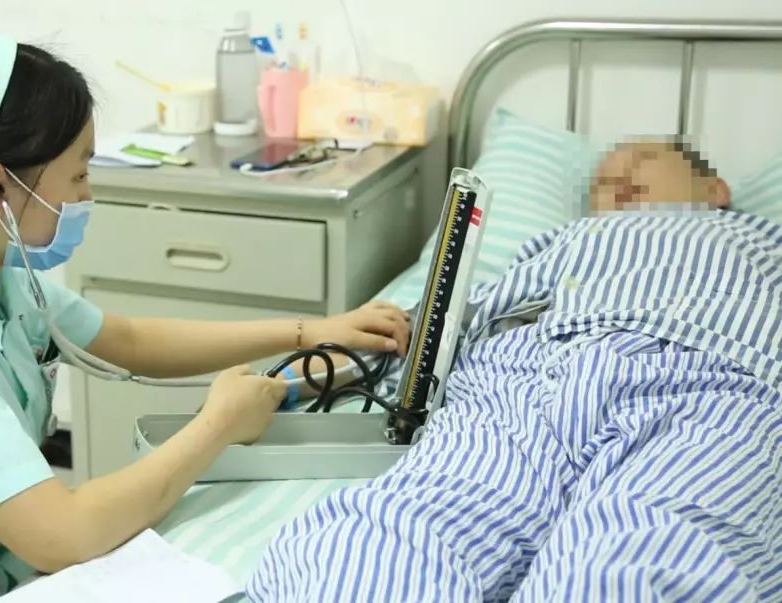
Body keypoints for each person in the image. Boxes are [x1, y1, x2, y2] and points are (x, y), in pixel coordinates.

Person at [0, 27, 411, 602]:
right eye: (77, 176)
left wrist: (311, 331)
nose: (87, 195)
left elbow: (128, 338)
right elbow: (61, 534)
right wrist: (217, 425)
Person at [248, 141, 782, 601]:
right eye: (601, 181)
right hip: (518, 383)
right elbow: (451, 319)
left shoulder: (761, 241)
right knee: (388, 536)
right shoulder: (563, 241)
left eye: (642, 160)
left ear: (714, 189)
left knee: (641, 553)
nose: (617, 176)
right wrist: (303, 376)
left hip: (705, 381)